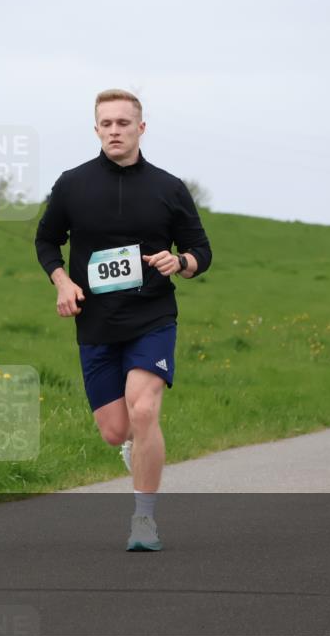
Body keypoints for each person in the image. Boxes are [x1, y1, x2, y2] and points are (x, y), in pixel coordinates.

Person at [35, 89, 212, 551]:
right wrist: (61, 282)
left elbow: (201, 250)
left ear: (141, 128)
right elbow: (47, 241)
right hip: (95, 322)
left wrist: (183, 263)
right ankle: (138, 450)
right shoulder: (72, 184)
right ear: (96, 129)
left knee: (145, 408)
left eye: (123, 123)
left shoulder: (168, 187)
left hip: (151, 314)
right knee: (117, 429)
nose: (115, 130)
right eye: (106, 123)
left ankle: (144, 521)